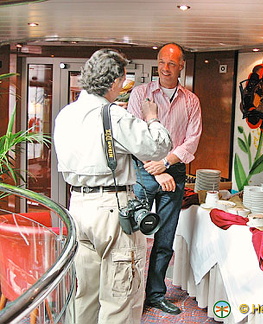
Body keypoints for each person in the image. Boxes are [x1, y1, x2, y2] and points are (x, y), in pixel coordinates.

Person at [53, 48, 172, 324]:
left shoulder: (65, 115)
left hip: (77, 209)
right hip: (112, 210)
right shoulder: (113, 116)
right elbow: (159, 146)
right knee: (120, 297)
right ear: (117, 82)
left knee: (82, 294)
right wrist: (152, 117)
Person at [127, 42, 202, 315]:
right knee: (135, 236)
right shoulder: (140, 94)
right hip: (144, 171)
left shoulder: (191, 100)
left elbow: (191, 142)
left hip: (175, 171)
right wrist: (155, 170)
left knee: (165, 239)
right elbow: (133, 138)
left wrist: (165, 165)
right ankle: (131, 295)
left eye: (172, 63)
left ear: (181, 65)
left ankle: (155, 294)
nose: (165, 68)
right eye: (161, 62)